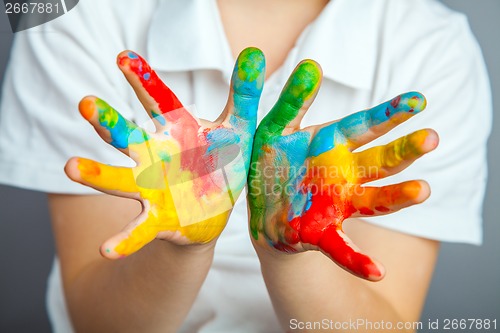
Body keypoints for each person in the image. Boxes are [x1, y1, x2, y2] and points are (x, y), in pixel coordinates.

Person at [0, 0, 491, 332]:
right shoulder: (76, 15)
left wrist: (284, 245)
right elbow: (97, 323)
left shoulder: (434, 46)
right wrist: (183, 248)